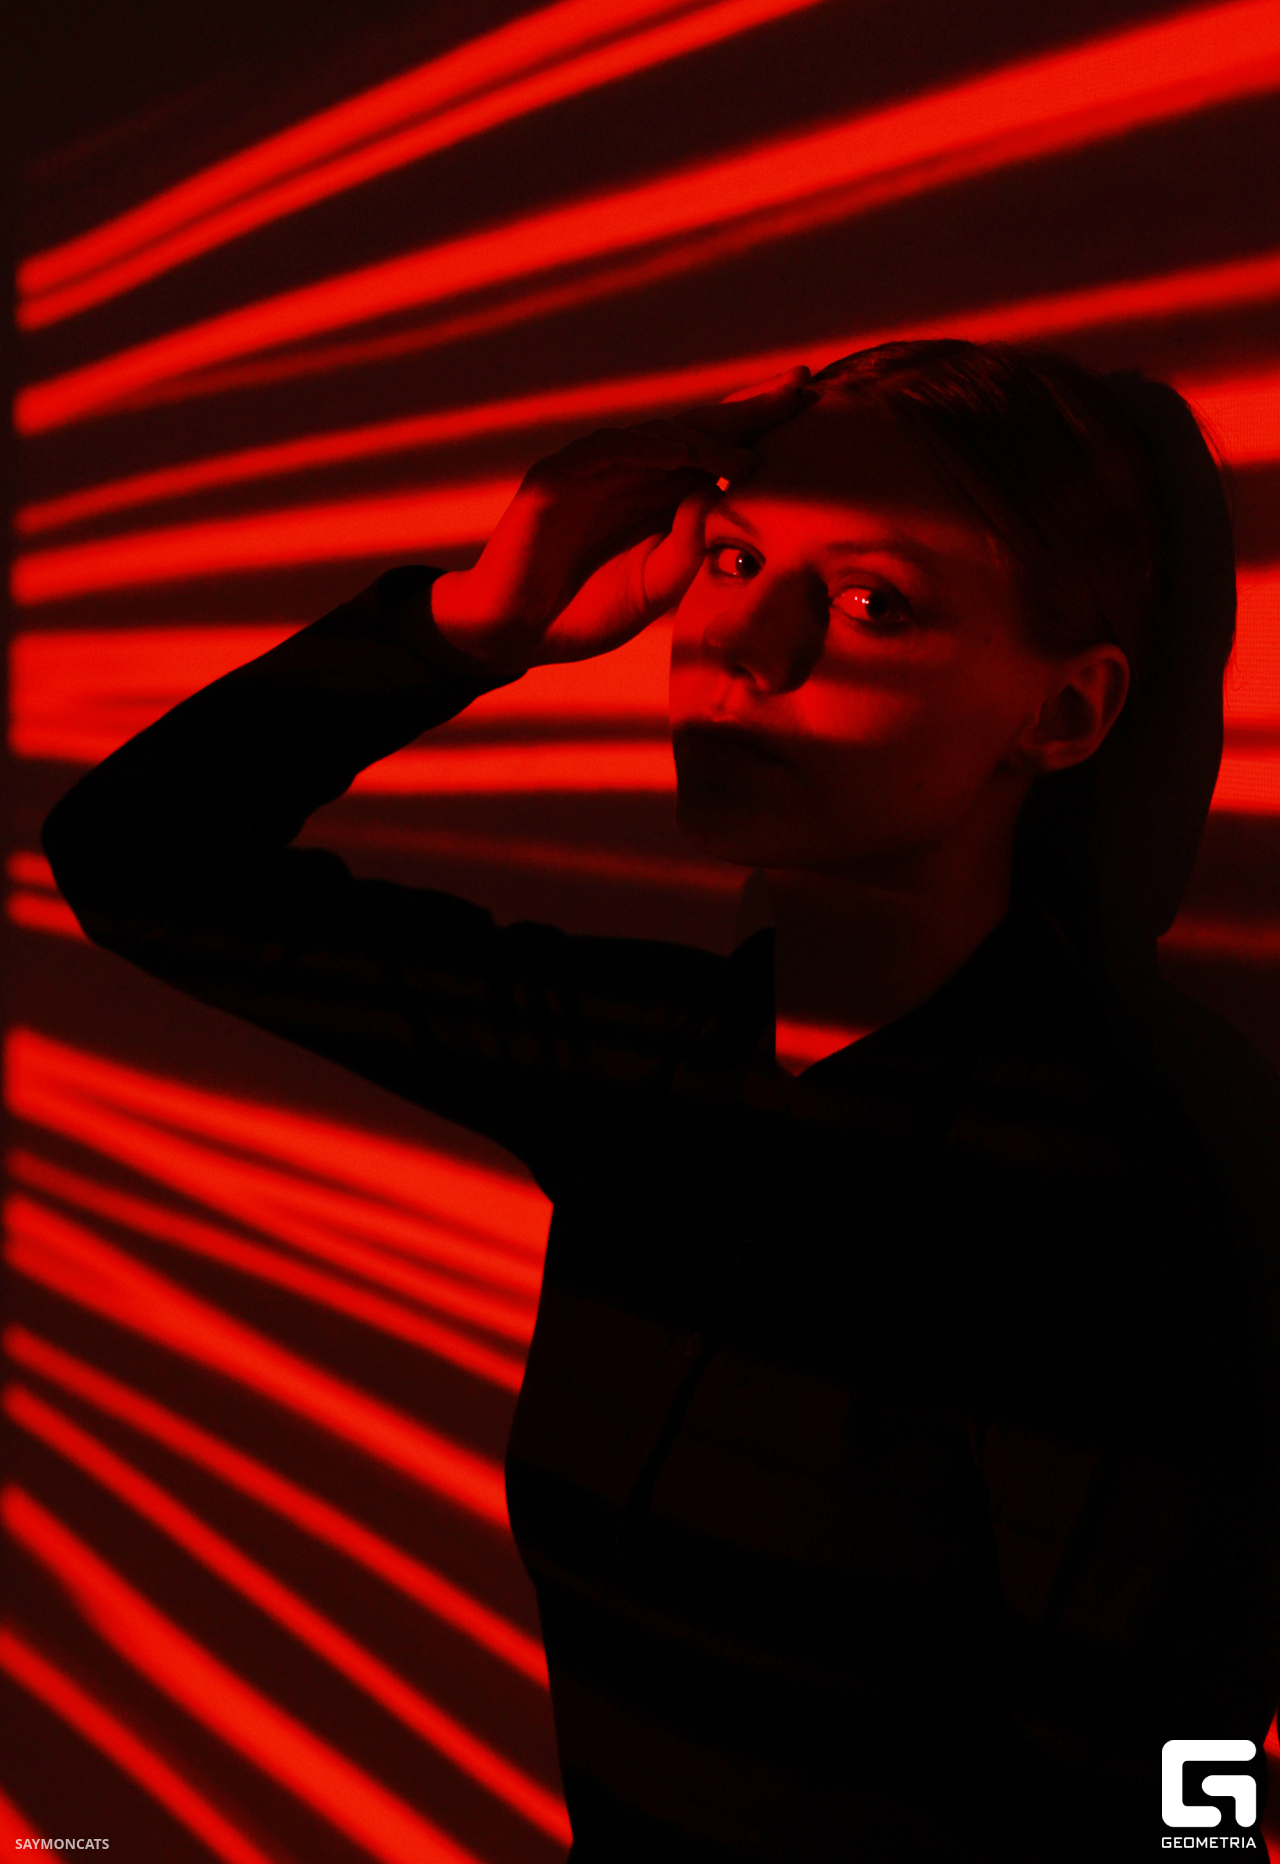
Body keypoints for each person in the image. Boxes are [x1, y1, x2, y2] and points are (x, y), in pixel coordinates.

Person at [41, 341, 1280, 1859]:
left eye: (874, 601)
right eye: (737, 557)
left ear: (1068, 712)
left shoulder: (1104, 1187)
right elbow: (140, 859)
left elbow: (1183, 1775)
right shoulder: (648, 1066)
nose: (743, 642)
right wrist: (476, 619)